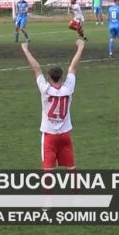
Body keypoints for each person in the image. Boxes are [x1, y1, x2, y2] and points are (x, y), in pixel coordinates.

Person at [20, 39, 85, 172]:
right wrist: (80, 47)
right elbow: (73, 67)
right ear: (62, 78)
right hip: (65, 135)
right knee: (71, 169)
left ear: (49, 78)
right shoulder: (68, 88)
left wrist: (25, 49)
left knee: (48, 172)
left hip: (49, 136)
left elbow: (36, 68)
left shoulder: (45, 89)